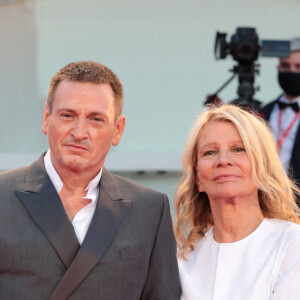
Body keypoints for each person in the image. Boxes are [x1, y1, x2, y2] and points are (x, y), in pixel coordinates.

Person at [0, 61, 180, 299]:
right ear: (46, 118)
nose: (79, 132)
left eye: (96, 119)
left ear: (118, 129)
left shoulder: (149, 210)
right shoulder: (3, 196)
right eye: (67, 115)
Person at [174, 104, 300, 300]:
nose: (223, 160)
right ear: (198, 178)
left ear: (262, 167)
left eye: (238, 149)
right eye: (209, 152)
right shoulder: (184, 258)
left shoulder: (291, 244)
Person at [263, 37, 300, 192]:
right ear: (278, 68)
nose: (291, 71)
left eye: (298, 67)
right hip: (266, 201)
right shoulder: (265, 111)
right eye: (285, 66)